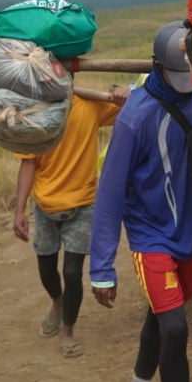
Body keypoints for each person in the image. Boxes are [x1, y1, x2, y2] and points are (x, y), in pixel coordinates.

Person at [89, 22, 192, 382]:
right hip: (151, 236)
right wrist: (102, 268)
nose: (187, 84)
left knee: (163, 315)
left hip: (190, 231)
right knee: (175, 328)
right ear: (158, 68)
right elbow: (109, 195)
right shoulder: (134, 118)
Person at [11, 76, 125, 357]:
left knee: (72, 272)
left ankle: (68, 330)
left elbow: (127, 108)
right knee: (46, 268)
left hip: (83, 202)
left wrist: (124, 94)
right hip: (44, 203)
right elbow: (28, 163)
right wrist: (19, 209)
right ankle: (57, 302)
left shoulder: (89, 104)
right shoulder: (33, 112)